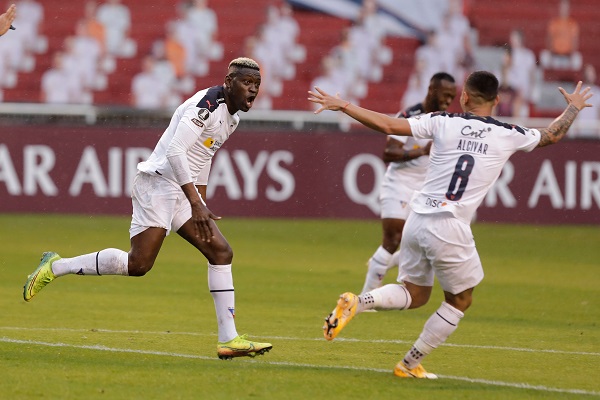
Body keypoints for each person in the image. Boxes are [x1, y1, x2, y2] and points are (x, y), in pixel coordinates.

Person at [308, 71, 592, 378]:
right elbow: (552, 134)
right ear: (497, 100)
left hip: (416, 219)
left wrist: (344, 105)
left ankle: (358, 301)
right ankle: (409, 364)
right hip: (450, 224)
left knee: (415, 294)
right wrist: (573, 107)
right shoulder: (509, 132)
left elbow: (389, 125)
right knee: (460, 300)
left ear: (464, 97)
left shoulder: (442, 121)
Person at [24, 57, 273, 360]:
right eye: (247, 83)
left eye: (257, 85)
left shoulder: (232, 119)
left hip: (181, 191)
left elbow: (203, 156)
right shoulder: (207, 105)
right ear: (228, 82)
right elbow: (175, 151)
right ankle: (56, 266)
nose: (253, 90)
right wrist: (195, 201)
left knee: (221, 252)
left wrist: (200, 202)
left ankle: (228, 340)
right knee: (138, 265)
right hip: (158, 183)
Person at [360, 72, 456, 296]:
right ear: (432, 90)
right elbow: (389, 152)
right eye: (444, 95)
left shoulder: (446, 121)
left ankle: (380, 263)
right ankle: (365, 299)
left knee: (429, 244)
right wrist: (420, 150)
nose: (448, 101)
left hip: (426, 189)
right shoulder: (409, 115)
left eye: (452, 96)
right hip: (399, 184)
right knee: (392, 239)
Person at [540, 0, 581, 71]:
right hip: (555, 57)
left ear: (569, 9)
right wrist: (550, 55)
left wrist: (571, 56)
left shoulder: (573, 23)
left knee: (577, 59)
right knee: (544, 56)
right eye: (562, 7)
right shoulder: (554, 22)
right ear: (559, 8)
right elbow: (549, 39)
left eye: (565, 7)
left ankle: (570, 78)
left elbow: (575, 41)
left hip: (567, 58)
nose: (564, 9)